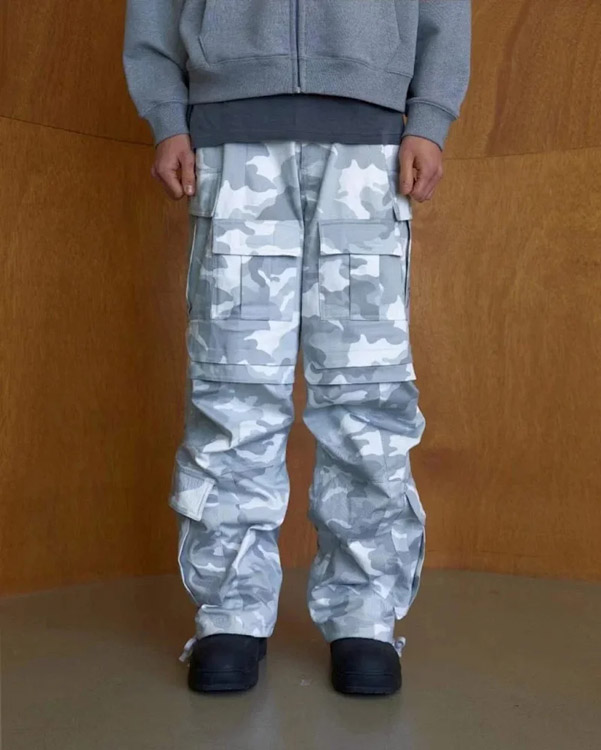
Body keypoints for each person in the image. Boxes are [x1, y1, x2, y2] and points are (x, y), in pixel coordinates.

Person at [123, 0, 471, 696]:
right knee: (233, 389)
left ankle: (364, 615)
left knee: (366, 396)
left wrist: (428, 116)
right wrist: (167, 116)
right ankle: (230, 613)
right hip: (231, 140)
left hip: (369, 145)